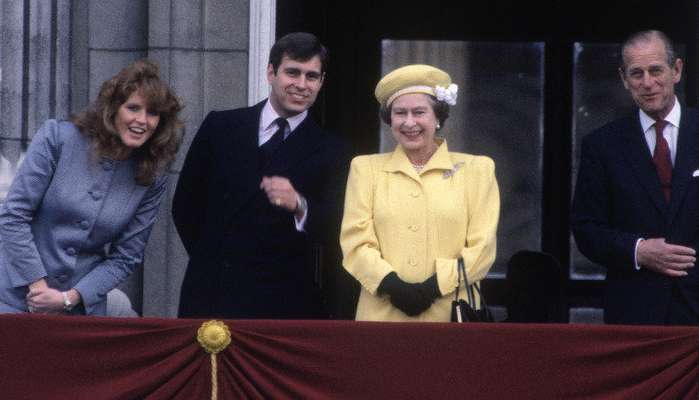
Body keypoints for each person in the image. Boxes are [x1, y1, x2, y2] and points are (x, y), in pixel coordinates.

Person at [0, 58, 185, 315]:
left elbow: (125, 258)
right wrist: (38, 288)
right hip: (11, 297)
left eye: (153, 113)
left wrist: (69, 298)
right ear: (113, 109)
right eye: (133, 108)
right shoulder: (58, 137)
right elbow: (14, 216)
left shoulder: (152, 177)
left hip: (79, 309)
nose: (142, 120)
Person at [173, 32, 353, 319]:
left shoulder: (333, 151)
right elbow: (185, 206)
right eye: (292, 72)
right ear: (271, 73)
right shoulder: (220, 126)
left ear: (321, 82)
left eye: (311, 76)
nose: (301, 85)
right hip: (212, 291)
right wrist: (216, 259)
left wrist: (299, 203)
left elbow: (338, 228)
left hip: (280, 299)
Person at [571, 30, 699, 326]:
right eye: (637, 73)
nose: (647, 83)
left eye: (656, 70)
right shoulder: (602, 146)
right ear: (624, 79)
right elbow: (586, 230)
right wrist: (639, 250)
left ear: (676, 70)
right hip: (634, 313)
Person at [340, 64, 499, 322]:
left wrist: (433, 288)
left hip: (450, 315)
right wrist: (393, 286)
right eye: (400, 113)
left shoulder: (477, 170)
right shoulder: (365, 169)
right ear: (390, 119)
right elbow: (354, 243)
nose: (409, 122)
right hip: (381, 317)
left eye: (419, 112)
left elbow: (482, 250)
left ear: (438, 118)